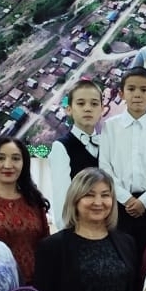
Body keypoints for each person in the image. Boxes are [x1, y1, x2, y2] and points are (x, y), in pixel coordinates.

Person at [98, 66, 146, 262]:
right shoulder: (110, 127)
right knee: (121, 257)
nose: (137, 95)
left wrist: (145, 200)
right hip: (119, 204)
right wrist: (126, 199)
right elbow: (105, 167)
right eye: (131, 89)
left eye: (144, 90)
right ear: (122, 93)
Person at [0, 133, 51, 284]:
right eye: (0, 158)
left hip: (33, 289)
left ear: (24, 163)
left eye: (16, 158)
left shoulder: (34, 201)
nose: (8, 165)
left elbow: (45, 247)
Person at [46, 79, 104, 229]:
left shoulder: (107, 143)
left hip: (105, 229)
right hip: (78, 230)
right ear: (69, 109)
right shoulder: (62, 147)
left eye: (94, 104)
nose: (87, 108)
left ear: (102, 109)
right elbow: (62, 201)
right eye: (80, 103)